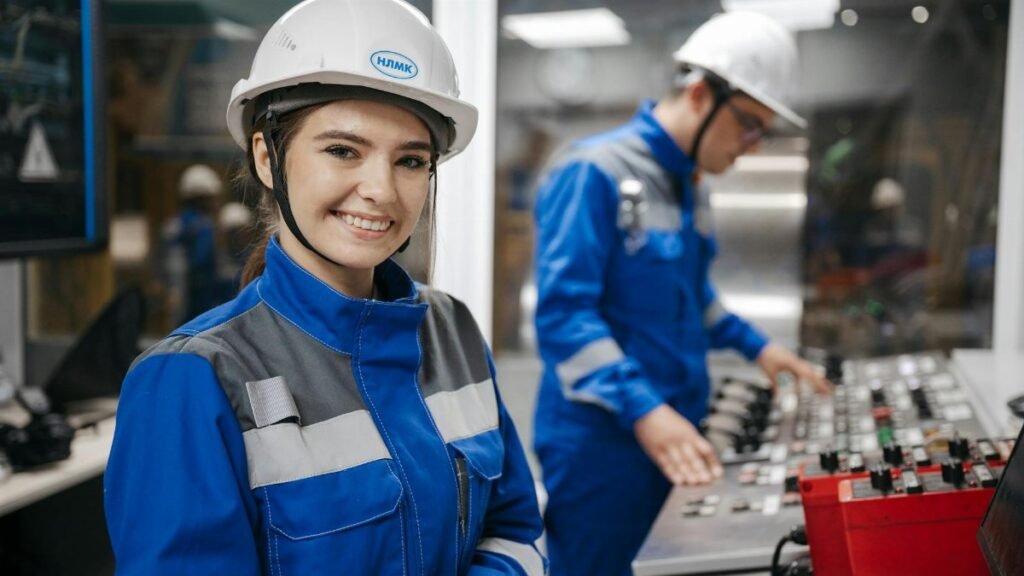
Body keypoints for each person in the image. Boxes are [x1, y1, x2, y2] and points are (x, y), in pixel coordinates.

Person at [104, 1, 546, 574]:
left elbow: (513, 532)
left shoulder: (452, 332)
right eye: (343, 151)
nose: (382, 191)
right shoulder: (193, 380)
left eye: (411, 161)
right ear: (268, 157)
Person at [531, 12, 831, 576]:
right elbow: (564, 318)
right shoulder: (593, 172)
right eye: (748, 125)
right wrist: (645, 410)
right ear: (700, 94)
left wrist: (759, 348)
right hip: (604, 448)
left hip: (673, 431)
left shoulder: (689, 185)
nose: (752, 146)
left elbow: (695, 297)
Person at [159, 163, 222, 324]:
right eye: (210, 198)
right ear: (200, 198)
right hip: (198, 303)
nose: (215, 203)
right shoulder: (203, 227)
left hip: (177, 304)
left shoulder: (175, 224)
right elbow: (202, 263)